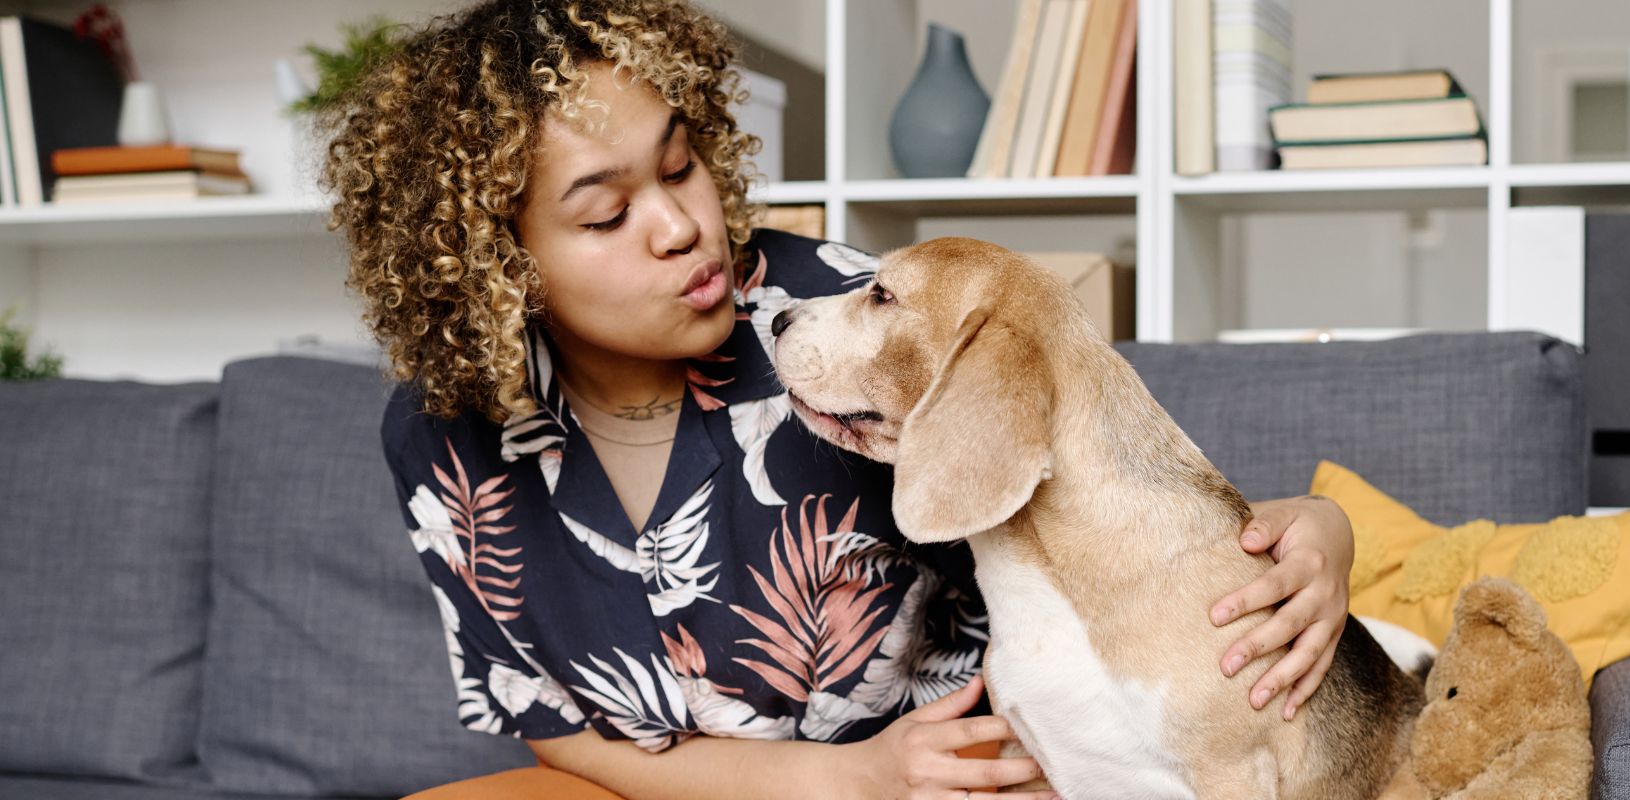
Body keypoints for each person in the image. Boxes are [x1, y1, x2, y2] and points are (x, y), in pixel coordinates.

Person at [319, 1, 1358, 797]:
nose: (682, 227)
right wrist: (840, 777)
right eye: (605, 215)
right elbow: (553, 722)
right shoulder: (441, 435)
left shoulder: (847, 321)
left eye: (680, 166)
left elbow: (1112, 496)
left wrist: (1319, 530)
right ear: (495, 265)